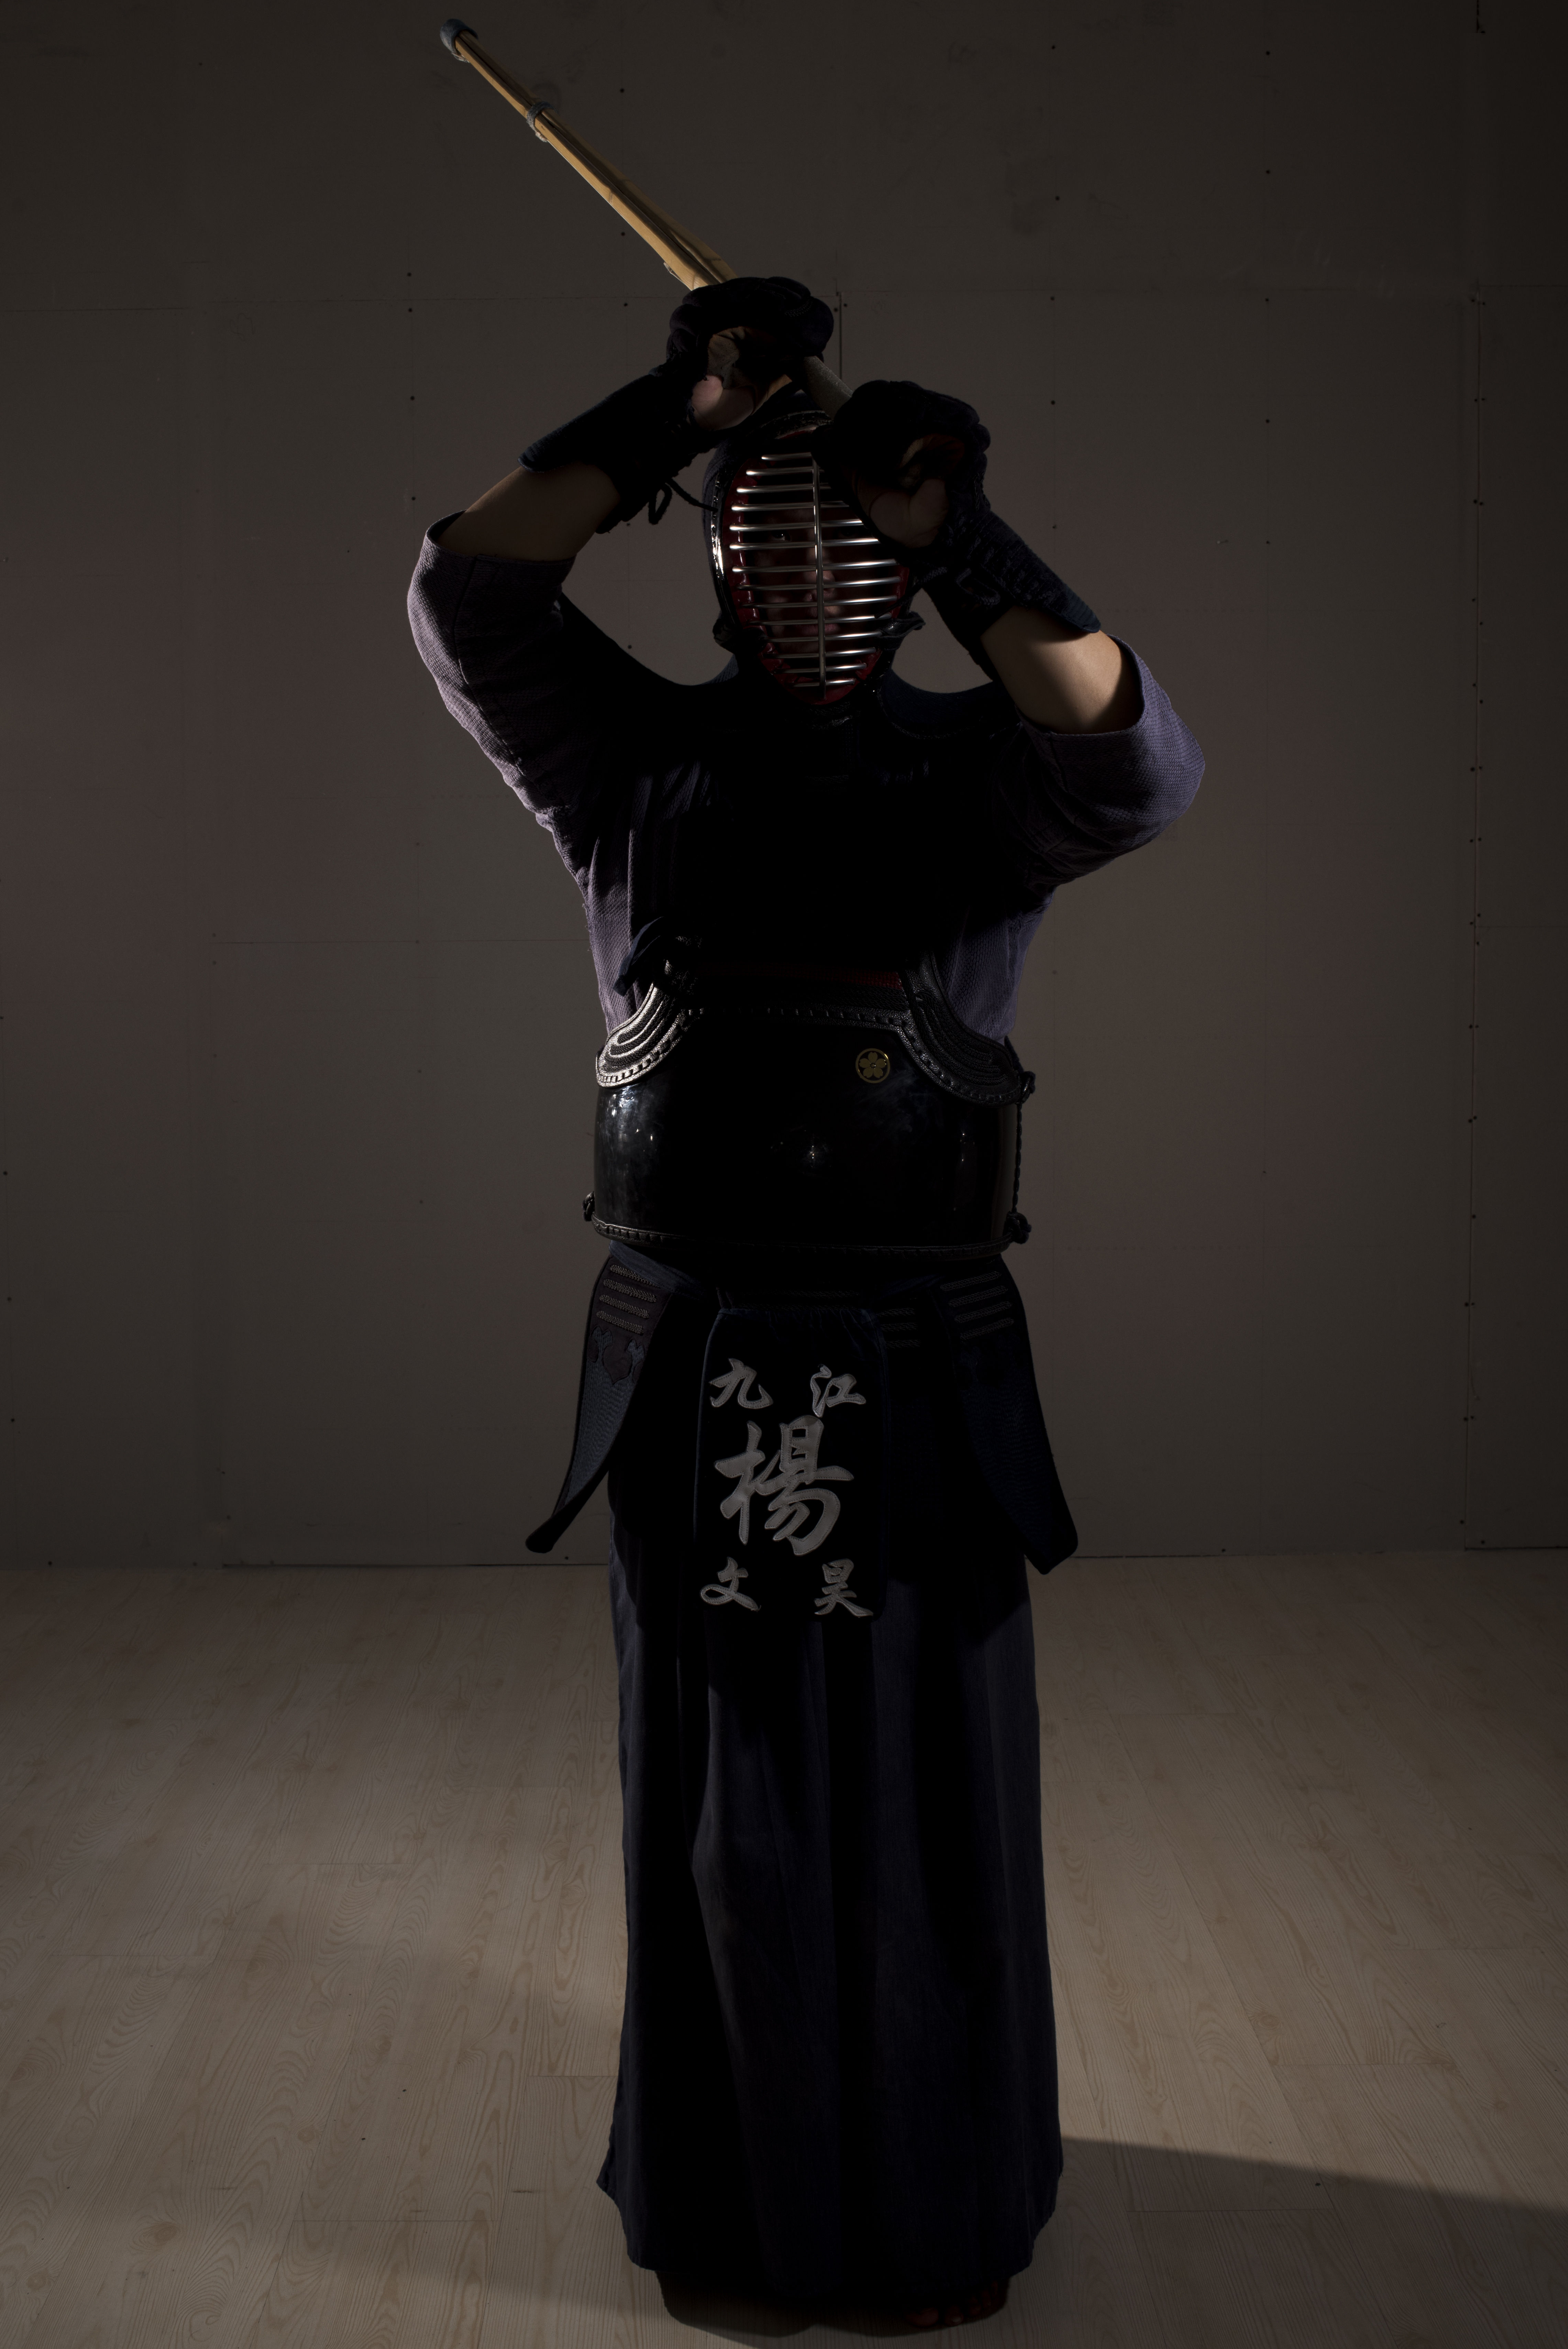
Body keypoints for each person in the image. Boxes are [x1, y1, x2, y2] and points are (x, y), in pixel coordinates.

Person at [408, 277, 1203, 2327]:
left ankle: (936, 2207)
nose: (809, 566)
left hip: (920, 1364)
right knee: (724, 1810)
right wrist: (677, 403)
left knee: (929, 1803)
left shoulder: (988, 780)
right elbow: (469, 596)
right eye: (767, 525)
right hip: (692, 1358)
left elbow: (1138, 757)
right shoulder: (627, 765)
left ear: (908, 565)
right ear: (712, 551)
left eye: (858, 534)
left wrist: (966, 535)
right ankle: (737, 2212)